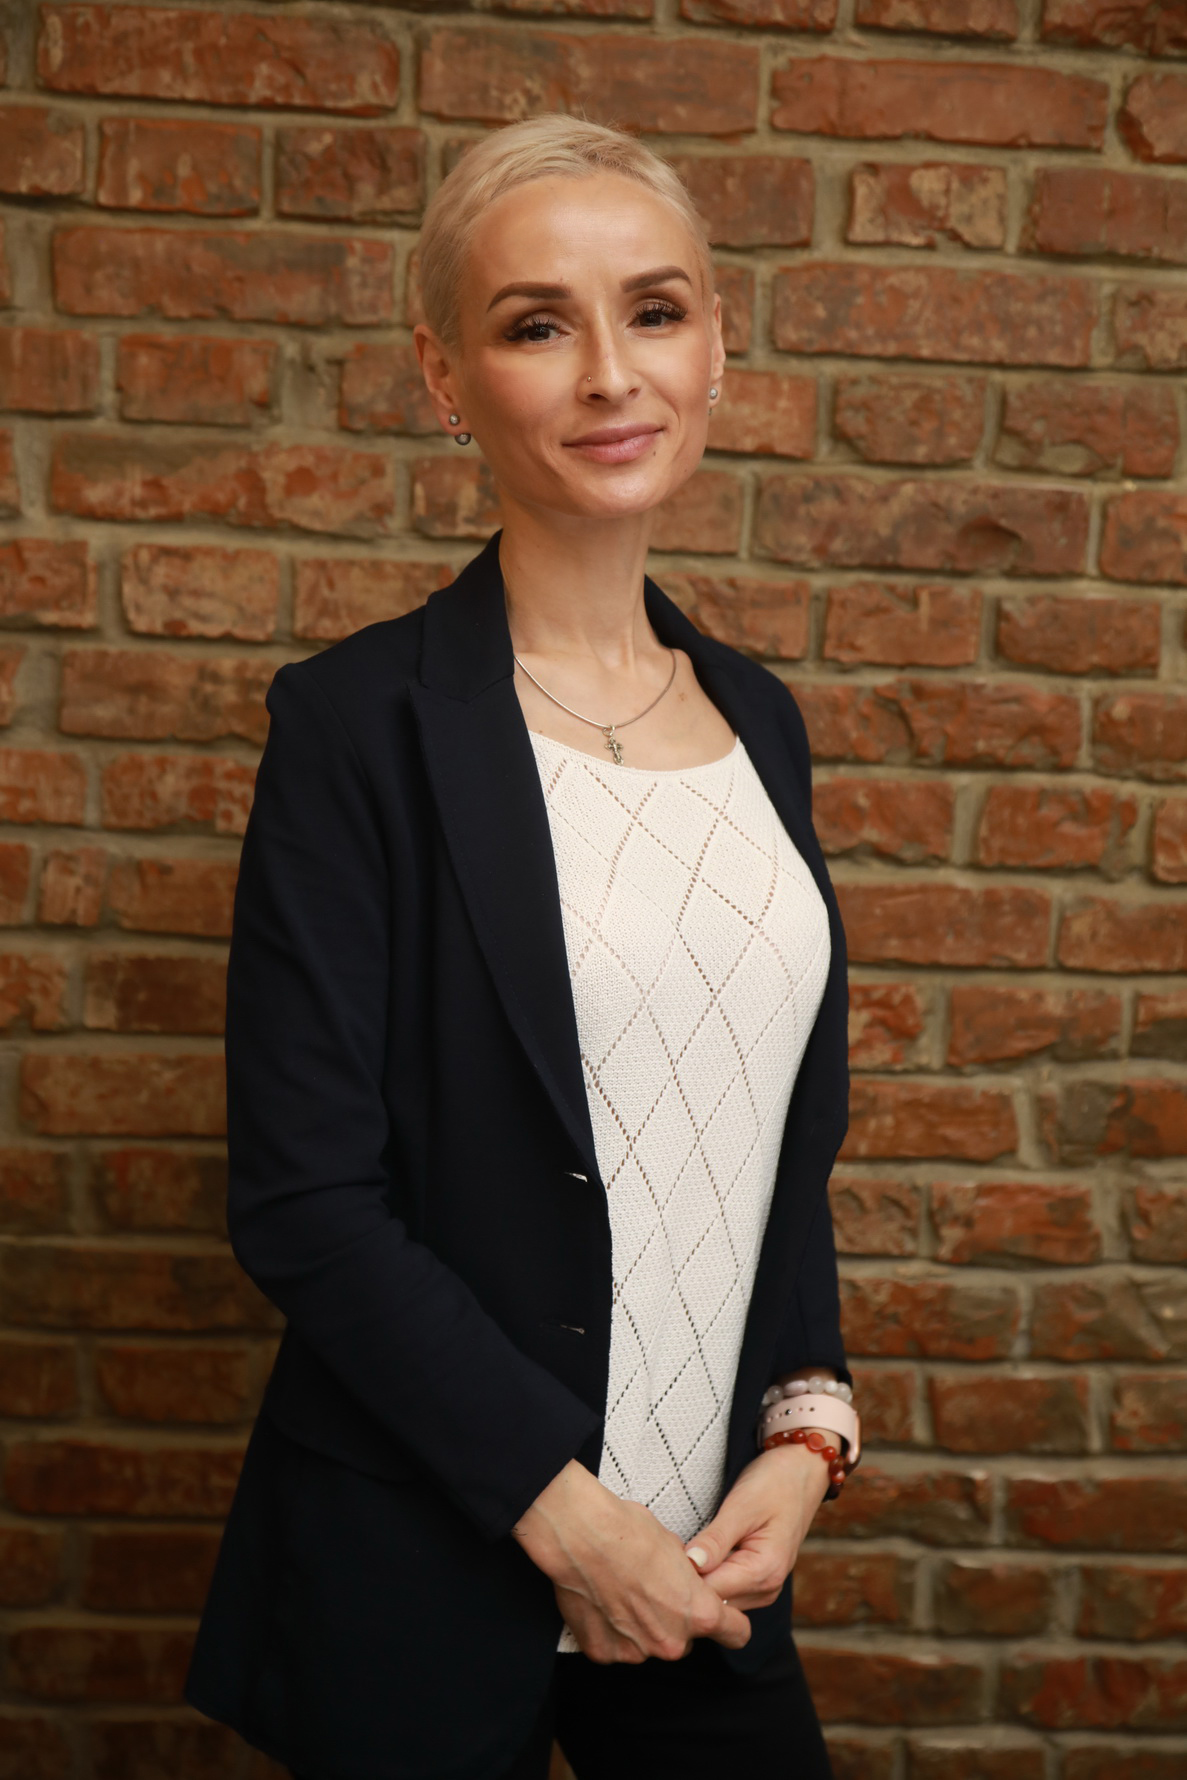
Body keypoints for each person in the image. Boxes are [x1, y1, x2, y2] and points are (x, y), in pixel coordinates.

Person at [186, 115, 858, 1780]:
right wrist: (566, 1516)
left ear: (716, 346)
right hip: (433, 1565)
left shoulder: (762, 724)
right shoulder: (356, 726)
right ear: (445, 376)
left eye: (656, 311)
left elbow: (772, 1142)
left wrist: (806, 1427)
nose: (612, 373)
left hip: (707, 1572)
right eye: (538, 324)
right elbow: (305, 1202)